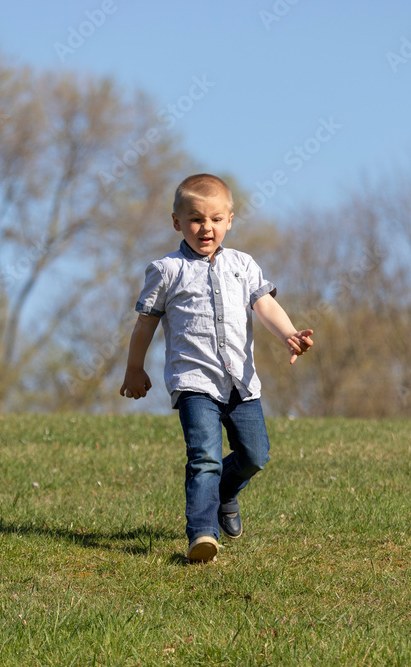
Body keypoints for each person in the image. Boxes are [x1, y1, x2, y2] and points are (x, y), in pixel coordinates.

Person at [119, 173, 313, 563]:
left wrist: (289, 333)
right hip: (194, 383)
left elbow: (265, 306)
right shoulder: (167, 270)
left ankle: (226, 493)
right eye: (194, 219)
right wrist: (134, 369)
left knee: (255, 455)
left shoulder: (243, 265)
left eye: (215, 219)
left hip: (240, 382)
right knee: (204, 456)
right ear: (177, 222)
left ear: (229, 220)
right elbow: (145, 324)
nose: (205, 227)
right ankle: (202, 535)